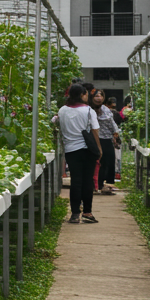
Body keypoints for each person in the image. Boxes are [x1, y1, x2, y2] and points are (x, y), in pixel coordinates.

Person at [58, 83, 101, 224]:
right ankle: (87, 212)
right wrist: (99, 149)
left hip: (71, 150)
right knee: (87, 180)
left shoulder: (62, 110)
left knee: (75, 181)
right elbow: (95, 131)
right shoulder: (88, 111)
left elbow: (56, 123)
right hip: (87, 150)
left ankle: (75, 213)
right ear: (82, 95)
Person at [92, 89, 120, 195]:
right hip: (93, 139)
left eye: (100, 95)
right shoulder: (89, 109)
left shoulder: (106, 110)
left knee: (106, 162)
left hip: (106, 138)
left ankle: (101, 183)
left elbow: (111, 122)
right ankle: (96, 184)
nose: (98, 97)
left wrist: (115, 133)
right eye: (96, 95)